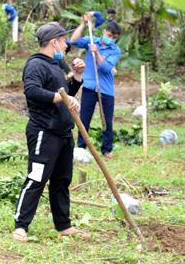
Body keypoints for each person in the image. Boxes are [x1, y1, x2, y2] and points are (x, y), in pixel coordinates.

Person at [13, 22, 88, 243]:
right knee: (37, 177)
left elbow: (68, 92)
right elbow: (32, 91)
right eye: (64, 41)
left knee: (62, 179)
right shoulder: (36, 65)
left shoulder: (58, 64)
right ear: (54, 41)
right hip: (44, 131)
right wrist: (61, 97)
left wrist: (77, 75)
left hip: (64, 131)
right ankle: (21, 226)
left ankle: (63, 225)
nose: (66, 46)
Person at [70, 14, 122, 158]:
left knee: (107, 120)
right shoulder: (92, 41)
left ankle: (106, 149)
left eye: (114, 37)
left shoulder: (115, 50)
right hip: (89, 86)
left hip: (106, 90)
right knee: (84, 118)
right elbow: (73, 41)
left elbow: (105, 68)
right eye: (109, 35)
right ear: (104, 31)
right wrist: (82, 25)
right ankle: (81, 147)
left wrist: (97, 52)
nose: (110, 38)